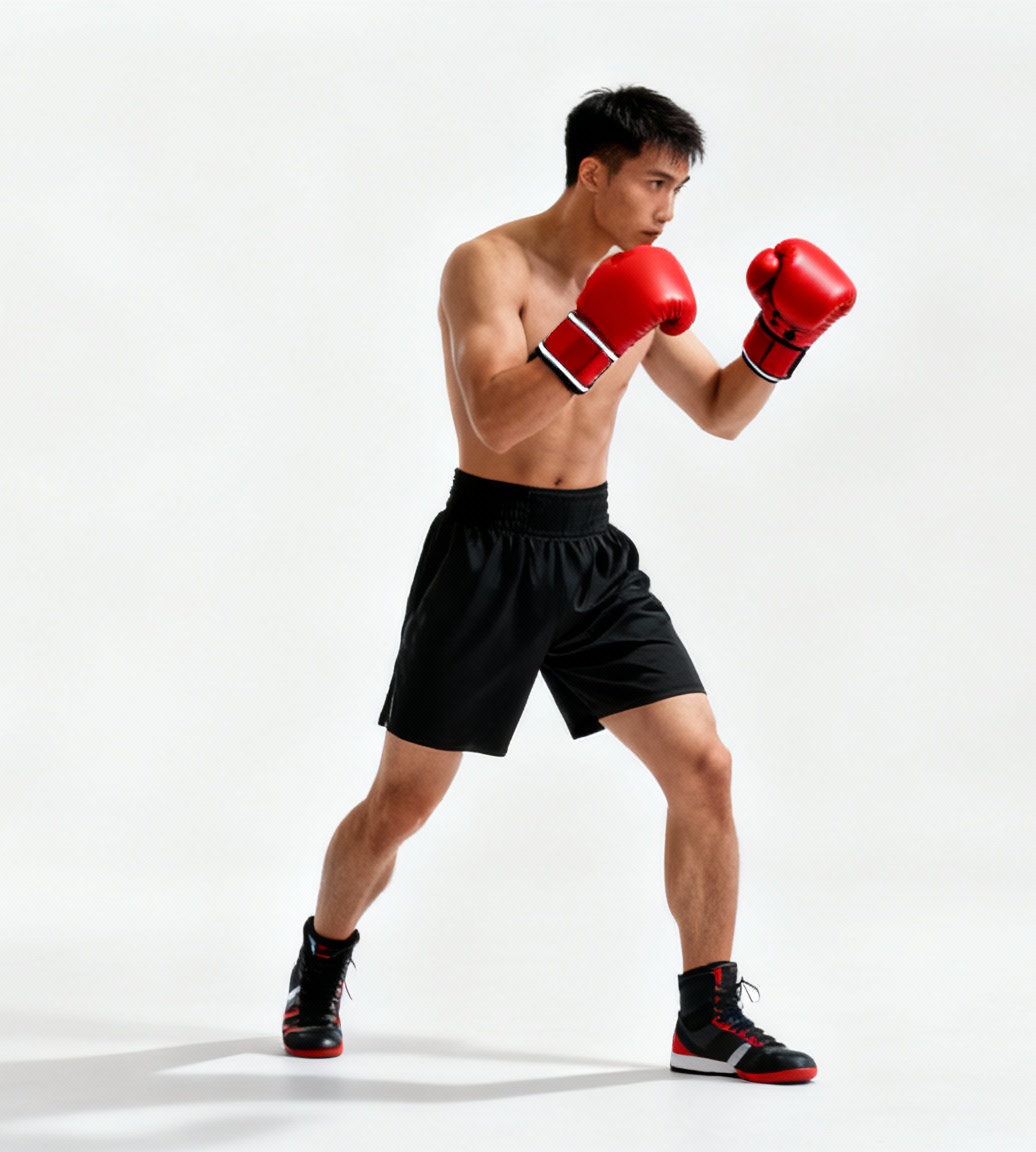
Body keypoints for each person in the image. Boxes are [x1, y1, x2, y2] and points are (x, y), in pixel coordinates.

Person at [281, 86, 855, 1085]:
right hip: (487, 553)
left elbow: (721, 412)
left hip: (589, 555)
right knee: (401, 805)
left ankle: (707, 1020)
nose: (667, 209)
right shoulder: (487, 265)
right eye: (653, 183)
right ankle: (320, 965)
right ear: (593, 173)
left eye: (679, 189)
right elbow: (496, 417)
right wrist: (597, 329)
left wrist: (782, 337)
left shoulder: (639, 283)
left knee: (704, 766)